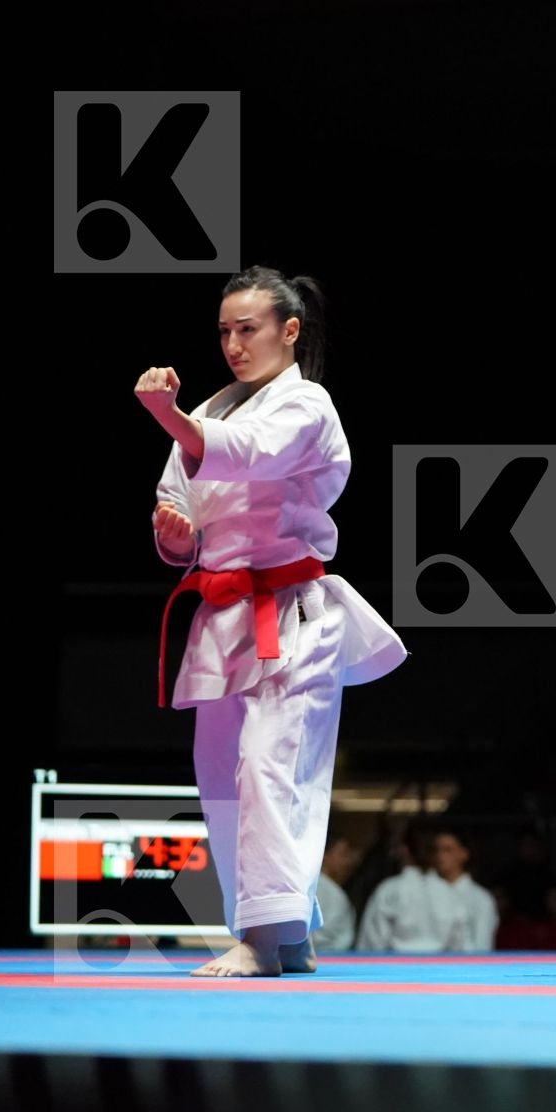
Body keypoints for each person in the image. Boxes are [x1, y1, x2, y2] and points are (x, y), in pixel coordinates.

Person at [139, 266, 408, 978]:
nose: (233, 343)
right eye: (224, 331)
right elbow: (180, 509)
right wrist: (174, 534)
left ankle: (263, 938)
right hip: (223, 613)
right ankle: (287, 927)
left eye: (247, 328)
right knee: (219, 777)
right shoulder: (212, 410)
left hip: (291, 613)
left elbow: (253, 459)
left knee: (271, 765)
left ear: (289, 331)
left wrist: (168, 416)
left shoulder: (308, 406)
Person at [357, 824, 446, 952]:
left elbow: (371, 942)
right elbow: (461, 947)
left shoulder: (389, 891)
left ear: (403, 850)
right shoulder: (451, 893)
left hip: (396, 968)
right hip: (443, 968)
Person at [427, 826, 500, 952]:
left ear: (464, 853)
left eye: (447, 850)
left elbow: (482, 945)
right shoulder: (421, 893)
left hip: (465, 967)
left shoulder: (480, 898)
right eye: (436, 850)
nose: (440, 855)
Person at [313, 831, 364, 952]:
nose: (348, 861)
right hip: (327, 959)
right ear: (324, 855)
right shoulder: (324, 890)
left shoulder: (330, 889)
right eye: (343, 854)